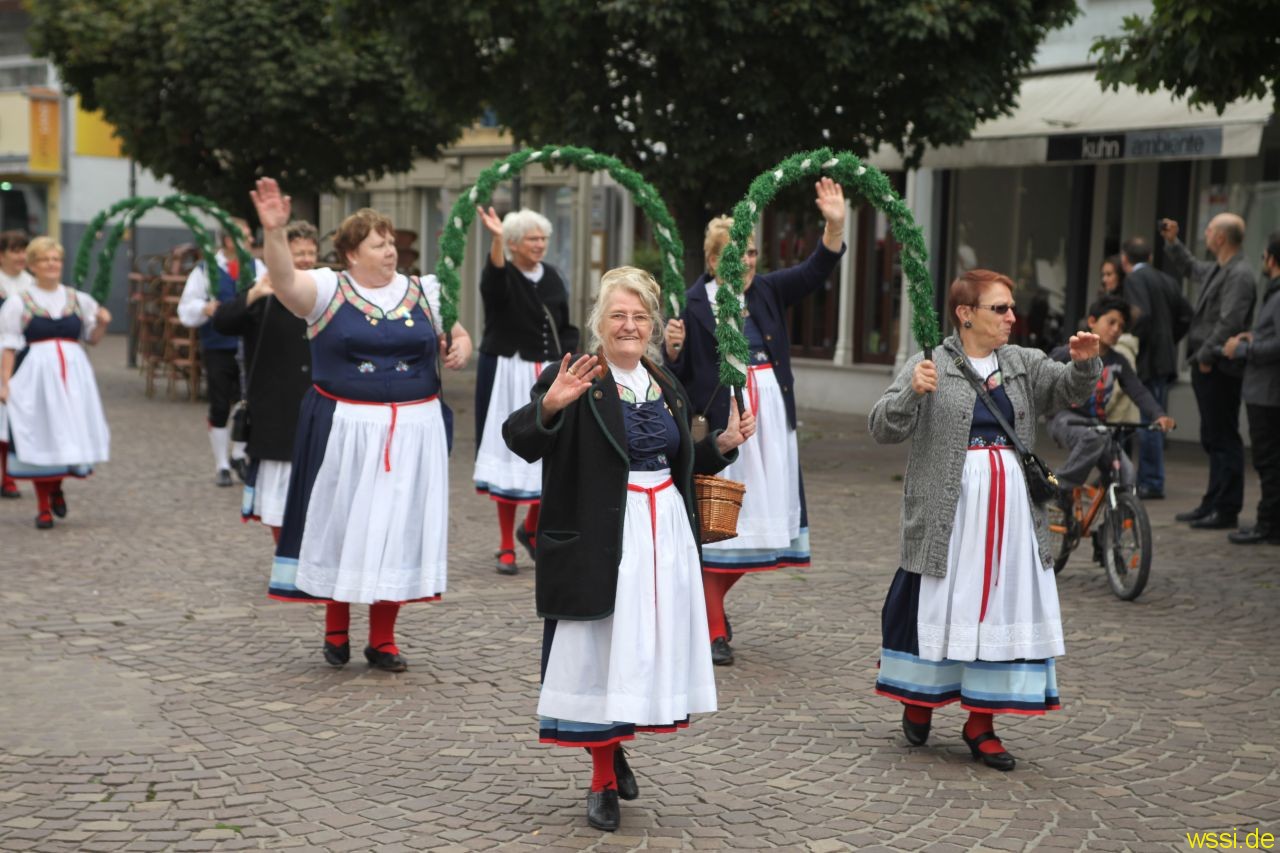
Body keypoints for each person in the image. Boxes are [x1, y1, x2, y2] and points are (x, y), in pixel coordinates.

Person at [504, 266, 753, 832]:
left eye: (640, 317)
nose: (630, 325)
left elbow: (680, 459)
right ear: (599, 320)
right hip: (602, 536)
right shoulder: (575, 374)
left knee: (638, 653)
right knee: (600, 651)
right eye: (618, 315)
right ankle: (601, 780)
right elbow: (519, 440)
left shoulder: (665, 383)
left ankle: (614, 748)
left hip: (663, 532)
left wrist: (721, 444)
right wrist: (550, 406)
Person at [870, 268, 1101, 772]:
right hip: (949, 518)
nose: (1012, 317)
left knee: (998, 607)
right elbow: (883, 426)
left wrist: (1084, 365)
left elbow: (1066, 390)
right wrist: (911, 389)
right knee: (940, 604)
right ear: (965, 313)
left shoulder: (1021, 363)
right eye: (1000, 309)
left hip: (1011, 518)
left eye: (1011, 308)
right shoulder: (930, 361)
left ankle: (982, 723)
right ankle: (920, 697)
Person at [251, 178, 473, 672]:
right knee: (344, 523)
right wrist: (275, 232)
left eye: (392, 242)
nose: (391, 250)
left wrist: (461, 345)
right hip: (346, 431)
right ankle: (336, 627)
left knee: (397, 527)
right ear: (351, 253)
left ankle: (383, 638)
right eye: (379, 243)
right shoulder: (329, 287)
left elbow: (457, 330)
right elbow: (285, 281)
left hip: (414, 431)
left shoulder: (425, 290)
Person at [665, 177, 847, 666]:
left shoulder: (765, 289)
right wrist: (673, 348)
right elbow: (677, 377)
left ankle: (709, 610)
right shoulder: (691, 302)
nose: (745, 262)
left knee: (764, 530)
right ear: (711, 260)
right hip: (726, 425)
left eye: (749, 253)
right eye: (734, 255)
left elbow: (815, 270)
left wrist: (834, 225)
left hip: (772, 419)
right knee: (726, 526)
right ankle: (712, 624)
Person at [472, 206, 577, 575]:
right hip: (509, 370)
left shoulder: (551, 275)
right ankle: (504, 543)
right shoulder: (502, 273)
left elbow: (563, 321)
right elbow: (494, 282)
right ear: (514, 244)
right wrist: (496, 239)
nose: (540, 244)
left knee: (552, 447)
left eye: (543, 238)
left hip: (545, 373)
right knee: (511, 454)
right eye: (532, 239)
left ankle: (530, 529)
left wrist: (571, 356)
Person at [212, 221, 318, 541]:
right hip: (275, 407)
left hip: (317, 402)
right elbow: (222, 322)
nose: (305, 259)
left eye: (311, 252)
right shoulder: (263, 292)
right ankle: (284, 553)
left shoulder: (323, 289)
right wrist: (253, 295)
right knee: (280, 492)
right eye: (298, 252)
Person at [0, 237, 111, 529]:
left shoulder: (78, 299)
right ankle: (43, 507)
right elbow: (8, 345)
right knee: (41, 434)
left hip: (74, 377)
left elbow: (92, 339)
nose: (51, 264)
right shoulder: (19, 302)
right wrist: (5, 383)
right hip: (36, 377)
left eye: (56, 259)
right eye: (45, 259)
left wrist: (101, 323)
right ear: (33, 265)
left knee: (67, 433)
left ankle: (57, 487)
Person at [1161, 216, 1257, 530]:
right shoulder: (1220, 267)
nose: (1206, 233)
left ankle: (1226, 508)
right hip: (1209, 365)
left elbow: (1230, 321)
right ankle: (1212, 502)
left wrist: (1204, 355)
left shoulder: (1239, 274)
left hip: (1218, 366)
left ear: (1221, 238)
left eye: (1210, 229)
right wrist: (1174, 243)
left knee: (1223, 437)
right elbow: (1191, 268)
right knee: (1212, 437)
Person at [1047, 295, 1175, 504]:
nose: (1116, 329)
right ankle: (1060, 487)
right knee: (1093, 439)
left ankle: (1110, 526)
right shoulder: (1070, 351)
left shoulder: (1118, 361)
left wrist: (1158, 415)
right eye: (1111, 322)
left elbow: (1138, 391)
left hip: (1096, 425)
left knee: (1126, 475)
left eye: (1121, 326)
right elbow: (1041, 371)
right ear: (1092, 322)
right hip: (1064, 418)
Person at [178, 218, 265, 486]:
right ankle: (222, 464)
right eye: (244, 235)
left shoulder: (257, 267)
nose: (249, 240)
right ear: (228, 240)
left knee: (246, 401)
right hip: (218, 344)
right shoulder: (206, 270)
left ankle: (239, 455)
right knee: (219, 403)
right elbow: (186, 307)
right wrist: (204, 308)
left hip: (249, 345)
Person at [1118, 237, 1192, 500]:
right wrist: (1169, 339)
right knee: (1156, 415)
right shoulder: (1167, 280)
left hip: (1147, 359)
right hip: (1164, 357)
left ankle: (1150, 481)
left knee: (1148, 421)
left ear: (1125, 260)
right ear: (1150, 257)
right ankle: (1153, 478)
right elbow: (1186, 314)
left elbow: (1143, 315)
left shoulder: (1134, 280)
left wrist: (1130, 341)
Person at [1222, 230, 1280, 545]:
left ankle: (1268, 525)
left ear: (1271, 258)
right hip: (1265, 391)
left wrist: (1243, 349)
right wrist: (1252, 339)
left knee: (1268, 462)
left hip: (1268, 394)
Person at [0, 230, 34, 499]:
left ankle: (9, 476)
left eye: (24, 250)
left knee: (10, 416)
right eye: (15, 250)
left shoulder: (31, 284)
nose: (21, 256)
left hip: (20, 353)